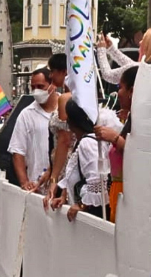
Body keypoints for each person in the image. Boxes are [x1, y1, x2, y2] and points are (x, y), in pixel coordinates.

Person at [52, 99, 113, 221]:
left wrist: (82, 205)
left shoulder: (88, 143)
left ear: (71, 122)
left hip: (92, 219)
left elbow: (99, 182)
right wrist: (64, 196)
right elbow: (73, 174)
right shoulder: (83, 141)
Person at [95, 66, 136, 222]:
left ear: (131, 91)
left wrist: (115, 138)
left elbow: (140, 152)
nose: (118, 93)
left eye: (120, 87)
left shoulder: (142, 120)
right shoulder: (132, 117)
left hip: (128, 194)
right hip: (118, 193)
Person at [9, 68, 58, 191]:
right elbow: (17, 152)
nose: (36, 91)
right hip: (37, 189)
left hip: (62, 187)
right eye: (33, 87)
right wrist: (25, 183)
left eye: (41, 86)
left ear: (53, 85)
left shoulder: (66, 109)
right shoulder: (26, 115)